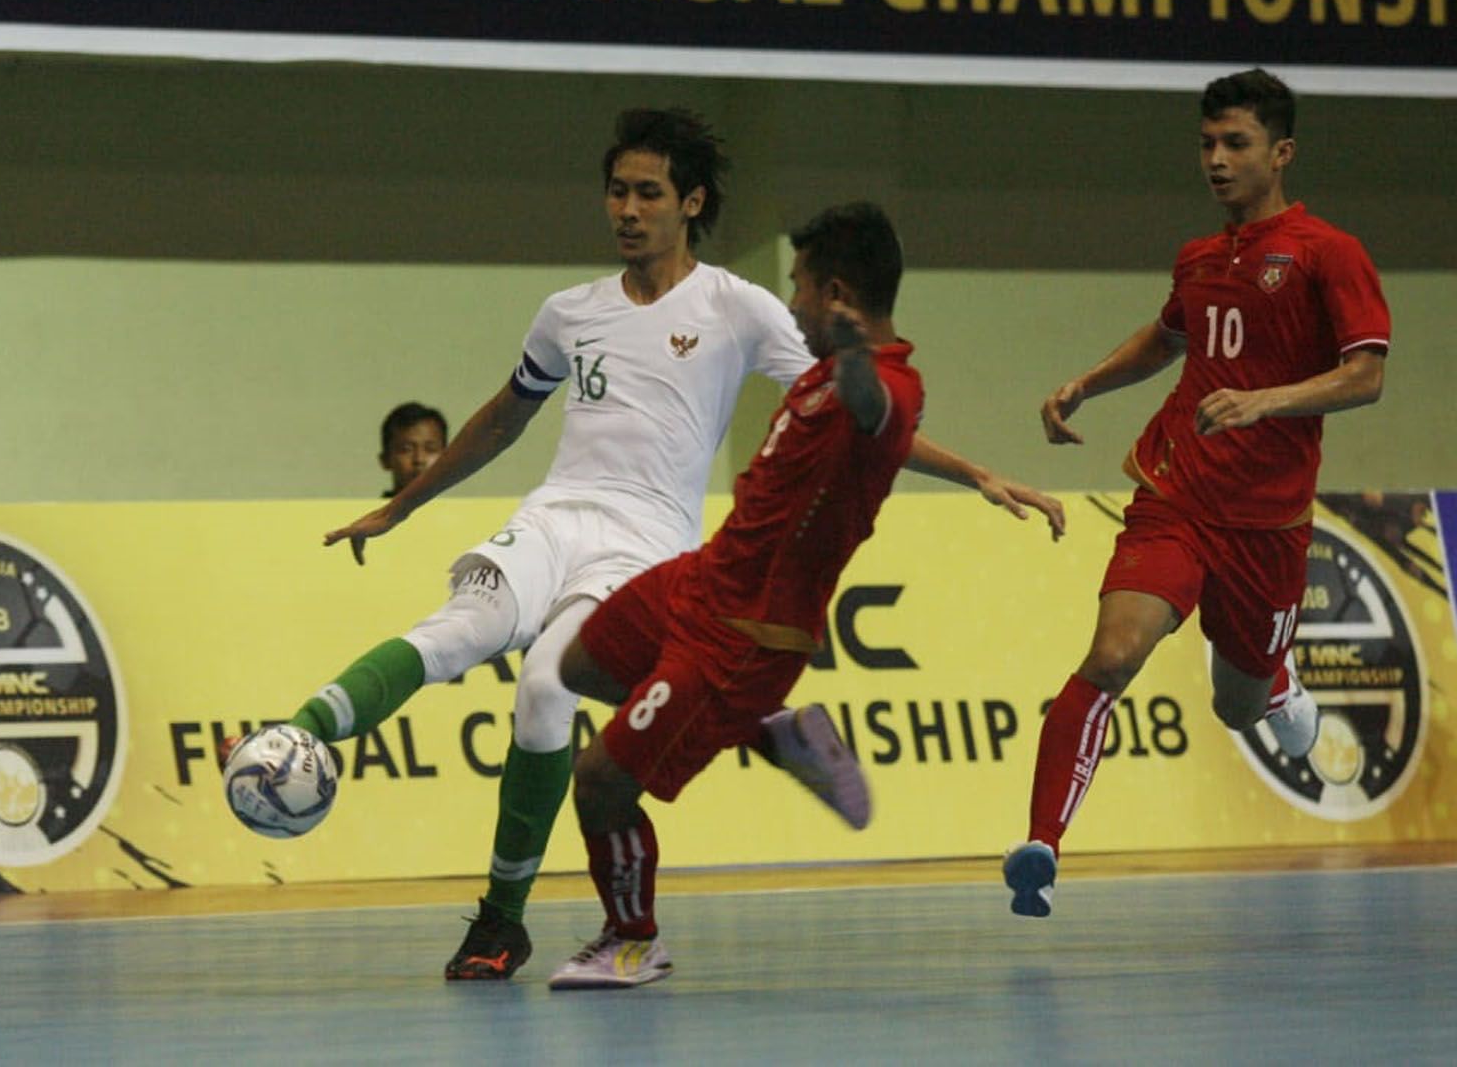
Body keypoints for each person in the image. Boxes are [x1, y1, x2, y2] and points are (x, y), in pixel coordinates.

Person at [257, 109, 1063, 982]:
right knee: (456, 630)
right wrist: (402, 506)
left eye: (649, 193)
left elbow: (862, 414)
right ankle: (288, 741)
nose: (628, 209)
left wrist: (976, 471)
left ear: (691, 204)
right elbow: (502, 417)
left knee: (542, 691)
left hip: (644, 542)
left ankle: (501, 921)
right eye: (617, 191)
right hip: (556, 513)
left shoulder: (740, 305)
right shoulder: (569, 312)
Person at [1004, 68, 1390, 918]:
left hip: (1268, 523)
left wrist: (1266, 401)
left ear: (1280, 153)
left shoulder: (1328, 251)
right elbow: (1167, 338)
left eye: (1236, 144)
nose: (1216, 160)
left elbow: (1366, 377)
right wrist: (1085, 385)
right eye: (1207, 144)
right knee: (1111, 657)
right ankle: (1041, 845)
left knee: (1235, 703)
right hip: (1175, 492)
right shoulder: (1201, 256)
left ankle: (1276, 679)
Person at [546, 201, 933, 990]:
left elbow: (877, 412)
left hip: (744, 635)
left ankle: (632, 940)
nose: (789, 306)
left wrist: (857, 356)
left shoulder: (884, 385)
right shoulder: (821, 371)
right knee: (579, 665)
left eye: (798, 288)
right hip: (700, 579)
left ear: (834, 294)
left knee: (600, 780)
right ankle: (767, 734)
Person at [378, 401, 449, 497]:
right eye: (406, 450)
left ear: (448, 457)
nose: (419, 459)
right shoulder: (367, 511)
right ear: (385, 460)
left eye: (430, 449)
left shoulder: (463, 511)